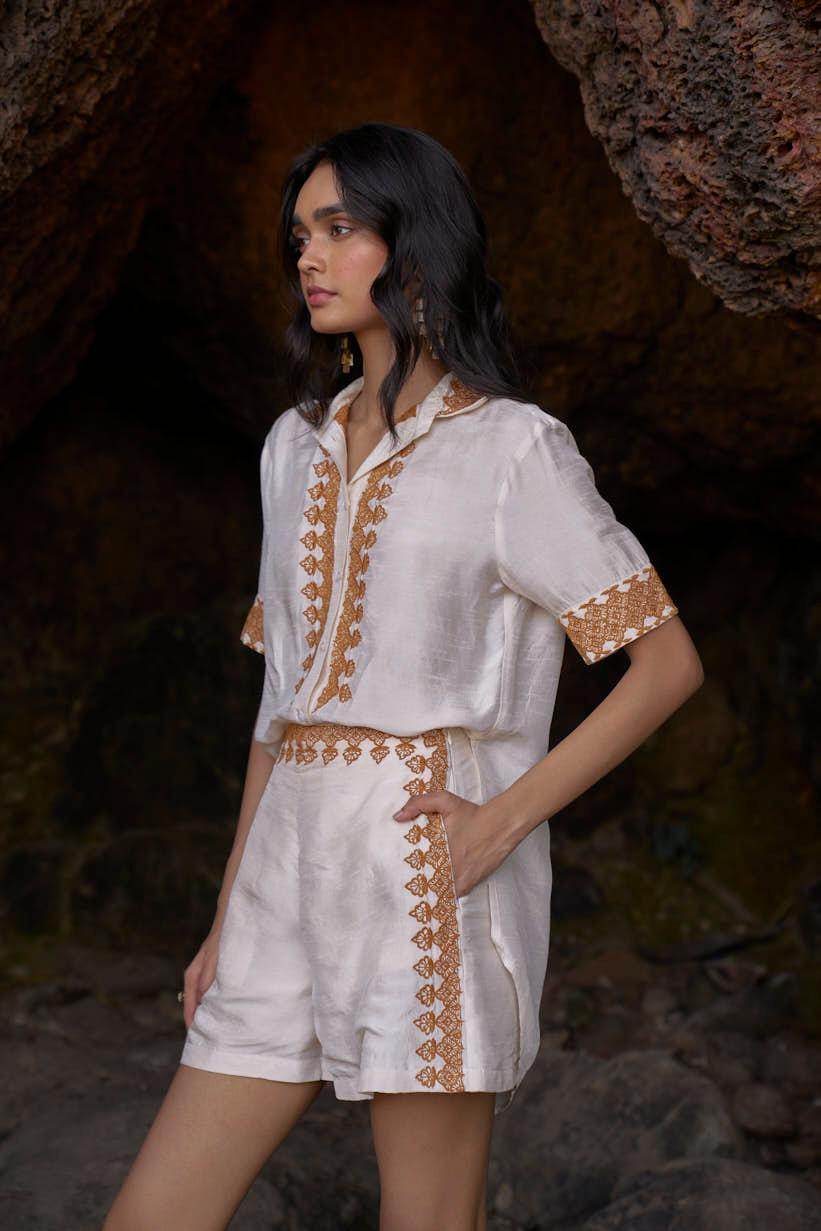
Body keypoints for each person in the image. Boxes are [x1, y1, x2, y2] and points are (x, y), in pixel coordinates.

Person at [103, 122, 703, 1231]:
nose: (309, 255)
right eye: (300, 234)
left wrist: (500, 823)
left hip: (426, 861)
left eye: (339, 228)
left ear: (414, 244)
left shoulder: (513, 449)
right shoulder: (291, 447)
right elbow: (280, 700)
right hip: (286, 859)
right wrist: (230, 908)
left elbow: (665, 666)